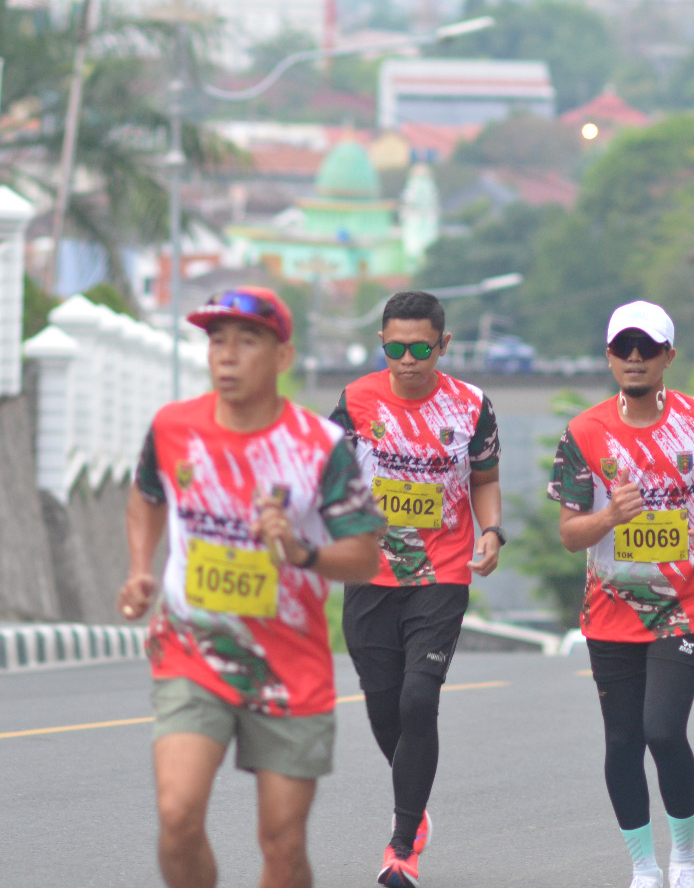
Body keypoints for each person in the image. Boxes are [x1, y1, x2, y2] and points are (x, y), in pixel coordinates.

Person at [117, 288, 385, 888]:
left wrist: (300, 550)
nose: (228, 356)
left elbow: (365, 556)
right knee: (177, 813)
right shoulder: (173, 427)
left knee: (282, 846)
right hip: (193, 648)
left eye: (247, 341)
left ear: (282, 355)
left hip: (290, 663)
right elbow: (146, 492)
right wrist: (140, 566)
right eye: (217, 341)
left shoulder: (320, 447)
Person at [548, 301, 694, 888]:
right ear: (610, 358)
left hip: (687, 601)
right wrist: (610, 517)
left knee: (663, 730)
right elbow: (570, 535)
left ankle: (685, 858)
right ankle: (643, 865)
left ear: (669, 355)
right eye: (625, 348)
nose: (636, 358)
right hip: (610, 607)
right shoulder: (584, 432)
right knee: (622, 740)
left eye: (648, 348)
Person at [328, 290, 504, 888]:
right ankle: (415, 800)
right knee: (382, 705)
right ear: (383, 344)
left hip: (442, 572)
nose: (407, 360)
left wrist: (492, 531)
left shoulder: (471, 406)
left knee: (417, 700)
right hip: (369, 574)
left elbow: (485, 479)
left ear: (443, 345)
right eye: (396, 347)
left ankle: (402, 847)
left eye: (420, 348)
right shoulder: (354, 401)